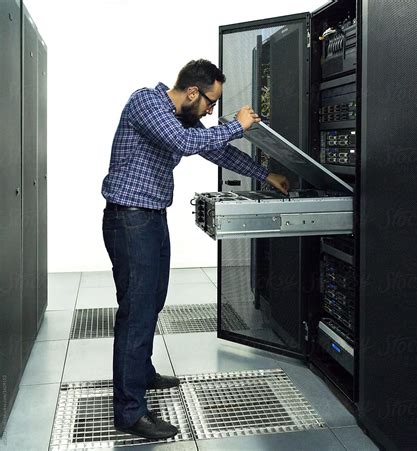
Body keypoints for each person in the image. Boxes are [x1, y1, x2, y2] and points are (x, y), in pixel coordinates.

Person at [101, 59, 290, 440]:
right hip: (129, 219)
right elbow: (186, 145)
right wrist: (237, 124)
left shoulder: (181, 118)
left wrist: (266, 174)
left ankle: (142, 372)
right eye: (210, 103)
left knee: (151, 302)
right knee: (136, 312)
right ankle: (129, 412)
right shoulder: (147, 104)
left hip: (151, 217)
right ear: (192, 92)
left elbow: (217, 152)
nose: (210, 111)